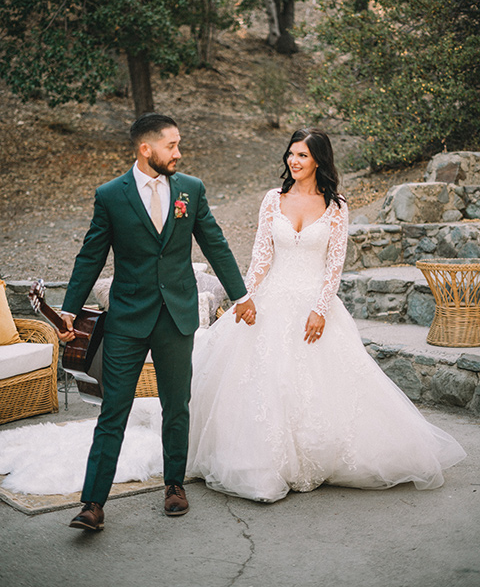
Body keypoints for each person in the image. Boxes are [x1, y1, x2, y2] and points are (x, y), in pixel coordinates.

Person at [186, 128, 466, 502]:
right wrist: (244, 298)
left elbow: (334, 265)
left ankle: (321, 455)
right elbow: (260, 257)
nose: (294, 161)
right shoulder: (273, 199)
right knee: (265, 382)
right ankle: (265, 463)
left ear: (318, 159)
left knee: (320, 385)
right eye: (291, 154)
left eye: (302, 155)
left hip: (314, 305)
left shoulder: (336, 205)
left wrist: (320, 309)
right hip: (270, 300)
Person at [59, 113, 256, 530]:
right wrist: (68, 309)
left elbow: (215, 244)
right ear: (146, 149)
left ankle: (174, 486)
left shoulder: (191, 190)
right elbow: (90, 256)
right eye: (172, 145)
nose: (179, 153)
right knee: (113, 410)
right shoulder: (111, 195)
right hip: (127, 321)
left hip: (176, 318)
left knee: (176, 407)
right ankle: (93, 503)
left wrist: (241, 295)